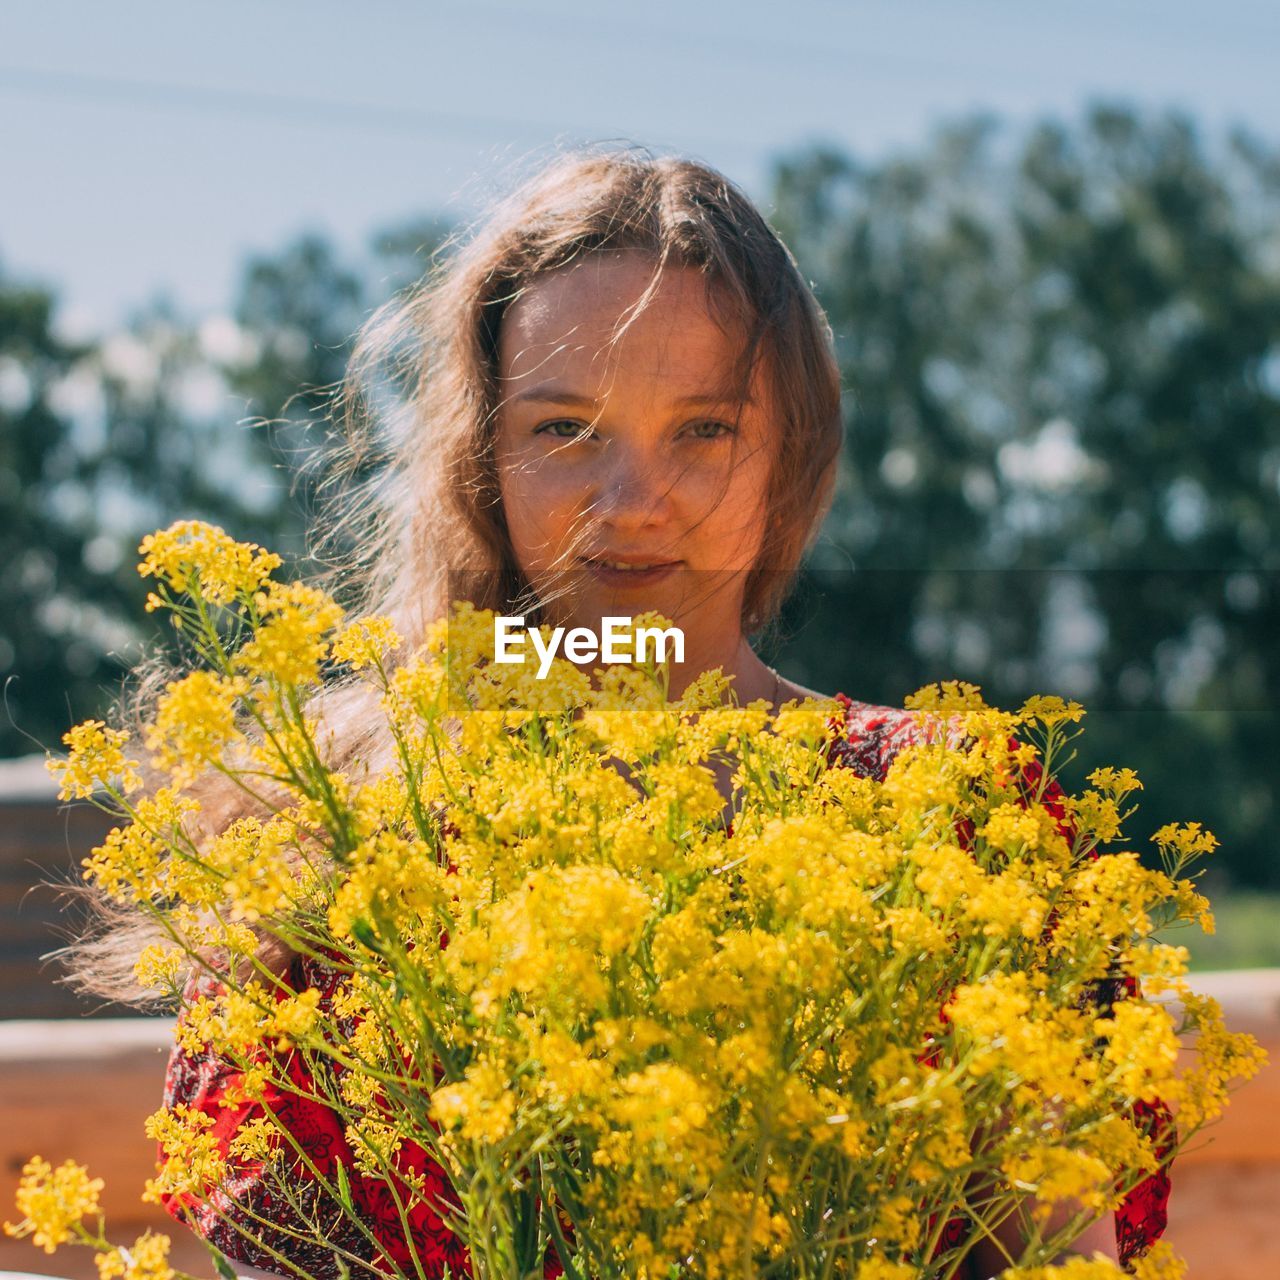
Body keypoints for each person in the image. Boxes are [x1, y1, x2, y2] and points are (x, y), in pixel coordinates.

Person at [68, 146, 1171, 1278]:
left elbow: (1054, 1252)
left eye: (702, 428)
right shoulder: (331, 827)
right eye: (563, 429)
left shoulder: (965, 811)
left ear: (788, 450)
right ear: (479, 455)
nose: (632, 503)